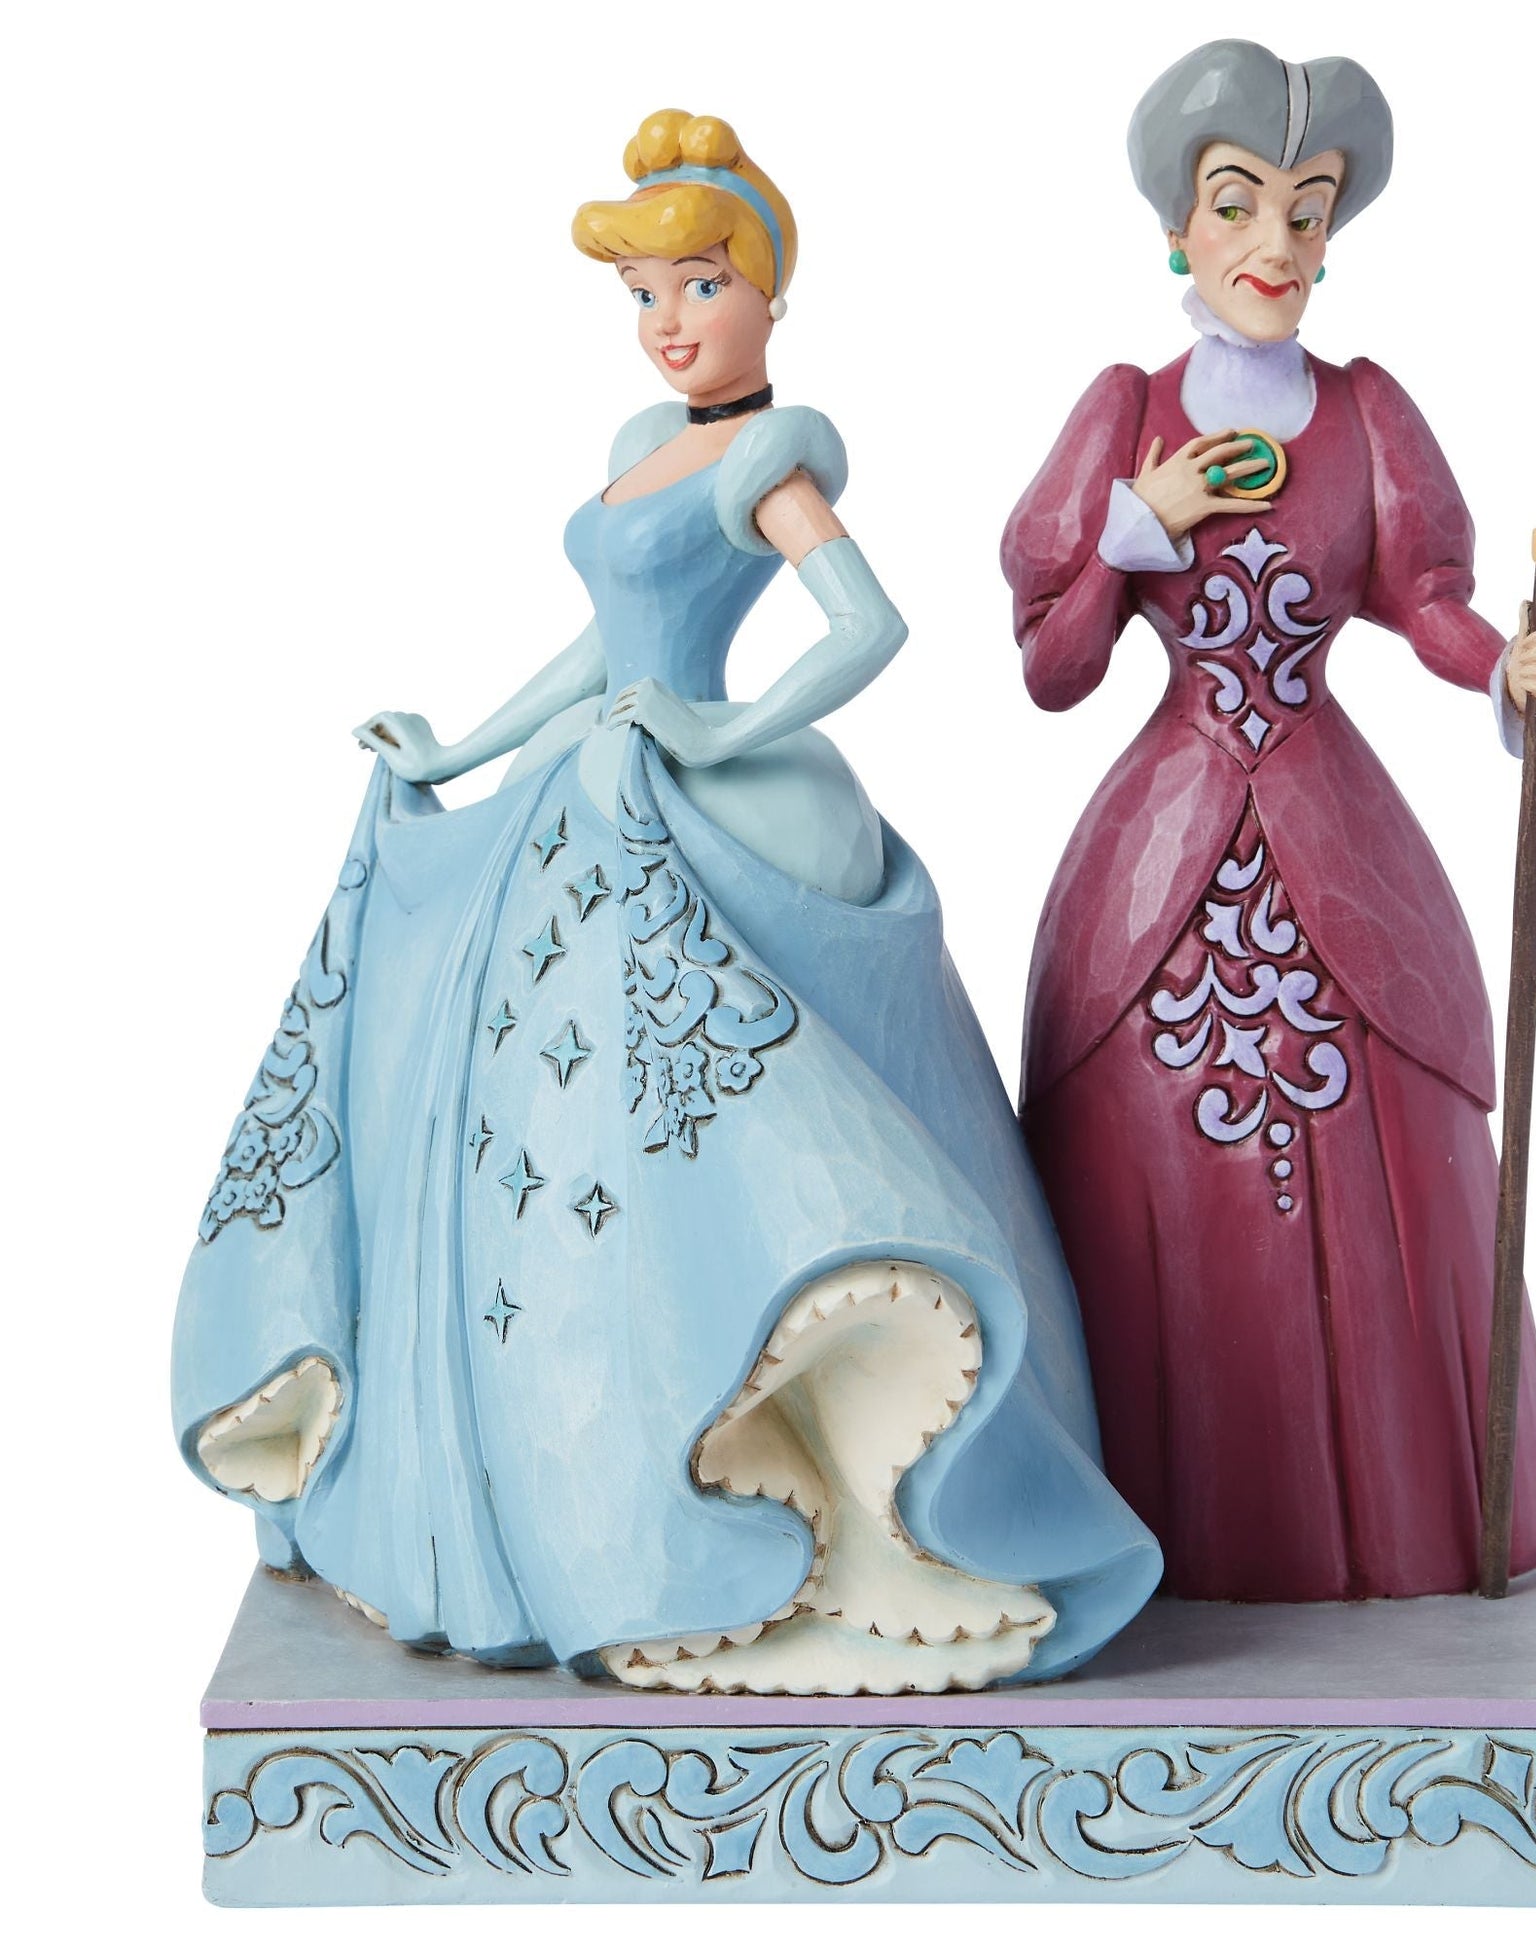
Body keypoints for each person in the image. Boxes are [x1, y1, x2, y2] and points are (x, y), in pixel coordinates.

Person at [173, 108, 1158, 1694]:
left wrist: (718, 727)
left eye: (702, 285)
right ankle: (549, 1479)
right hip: (584, 772)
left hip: (672, 780)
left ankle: (769, 1457)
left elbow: (865, 623)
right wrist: (463, 748)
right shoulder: (646, 441)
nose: (671, 320)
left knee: (701, 1114)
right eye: (645, 294)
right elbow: (597, 641)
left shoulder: (776, 451)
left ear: (769, 292)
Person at [1003, 42, 1536, 1601]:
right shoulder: (1124, 412)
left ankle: (1393, 1524)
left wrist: (1512, 671)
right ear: (1176, 228)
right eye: (1237, 203)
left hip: (1333, 826)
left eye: (1306, 210)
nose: (1274, 243)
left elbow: (1429, 600)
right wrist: (1144, 523)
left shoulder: (1366, 412)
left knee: (1392, 1136)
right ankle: (1141, 1530)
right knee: (1139, 1137)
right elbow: (1052, 664)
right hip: (1159, 840)